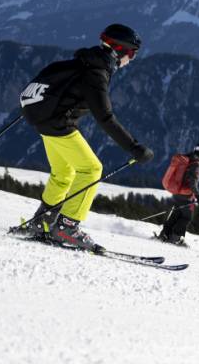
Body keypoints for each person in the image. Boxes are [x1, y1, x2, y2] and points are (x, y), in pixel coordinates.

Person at [17, 23, 154, 251]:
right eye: (132, 54)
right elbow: (105, 117)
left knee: (63, 173)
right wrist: (134, 147)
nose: (131, 60)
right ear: (119, 50)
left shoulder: (84, 61)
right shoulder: (96, 74)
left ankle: (42, 222)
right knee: (91, 169)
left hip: (44, 120)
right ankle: (67, 227)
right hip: (58, 124)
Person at [157, 143, 199, 247]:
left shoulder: (186, 159)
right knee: (186, 217)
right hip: (186, 195)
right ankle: (175, 238)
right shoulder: (197, 165)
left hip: (177, 193)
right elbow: (192, 183)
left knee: (176, 214)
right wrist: (198, 196)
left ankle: (164, 235)